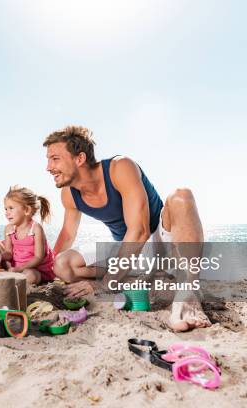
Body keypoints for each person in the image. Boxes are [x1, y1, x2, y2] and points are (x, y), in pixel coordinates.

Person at [44, 125, 211, 332]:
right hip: (127, 248)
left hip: (158, 238)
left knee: (181, 196)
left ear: (79, 159)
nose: (48, 167)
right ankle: (146, 279)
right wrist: (47, 269)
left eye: (55, 158)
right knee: (63, 265)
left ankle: (188, 290)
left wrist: (105, 283)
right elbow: (68, 233)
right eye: (48, 160)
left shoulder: (119, 167)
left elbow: (139, 231)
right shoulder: (69, 194)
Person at [0, 186, 55, 285]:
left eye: (11, 208)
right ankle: (4, 272)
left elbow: (38, 257)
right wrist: (0, 256)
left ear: (27, 210)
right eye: (6, 209)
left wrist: (19, 269)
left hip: (34, 268)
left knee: (31, 276)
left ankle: (7, 277)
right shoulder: (9, 228)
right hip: (16, 265)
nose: (7, 213)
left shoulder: (36, 229)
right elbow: (9, 252)